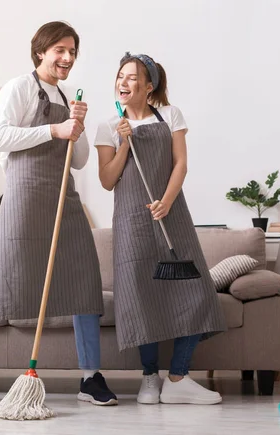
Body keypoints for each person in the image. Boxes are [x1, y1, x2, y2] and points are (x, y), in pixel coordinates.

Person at [0, 21, 117, 407]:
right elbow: (0, 137)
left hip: (63, 197)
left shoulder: (67, 97)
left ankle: (90, 377)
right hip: (24, 194)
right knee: (1, 279)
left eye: (72, 52)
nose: (67, 58)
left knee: (84, 279)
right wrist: (56, 129)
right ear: (41, 51)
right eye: (60, 51)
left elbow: (81, 160)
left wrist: (78, 127)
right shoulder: (18, 87)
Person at [94, 52, 227, 405]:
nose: (123, 82)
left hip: (172, 215)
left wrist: (167, 201)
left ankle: (178, 377)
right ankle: (149, 378)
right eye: (120, 76)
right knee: (142, 296)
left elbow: (181, 163)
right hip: (131, 223)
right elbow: (107, 180)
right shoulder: (108, 125)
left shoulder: (170, 114)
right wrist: (123, 143)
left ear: (149, 85)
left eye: (132, 77)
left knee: (198, 292)